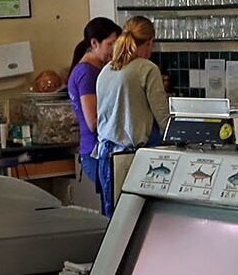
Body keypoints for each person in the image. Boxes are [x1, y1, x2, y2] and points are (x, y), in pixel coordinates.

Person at [93, 15, 167, 215]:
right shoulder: (147, 69)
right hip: (132, 159)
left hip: (105, 156)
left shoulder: (107, 70)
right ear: (150, 42)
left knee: (114, 222)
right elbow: (164, 119)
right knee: (138, 220)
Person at [66, 17, 119, 195]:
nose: (114, 50)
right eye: (110, 44)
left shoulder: (96, 70)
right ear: (94, 43)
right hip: (95, 152)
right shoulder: (87, 73)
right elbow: (93, 121)